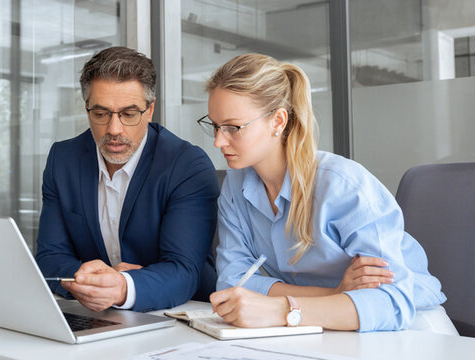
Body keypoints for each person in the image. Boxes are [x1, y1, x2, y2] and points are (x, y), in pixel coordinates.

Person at [203, 53, 455, 334]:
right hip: (317, 325)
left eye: (233, 127)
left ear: (278, 121)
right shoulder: (236, 186)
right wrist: (335, 293)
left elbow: (391, 303)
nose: (218, 141)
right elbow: (233, 283)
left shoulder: (343, 185)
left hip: (411, 329)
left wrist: (280, 308)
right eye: (215, 126)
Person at [35, 46, 219, 312]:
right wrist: (92, 283)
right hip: (95, 313)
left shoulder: (187, 165)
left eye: (129, 114)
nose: (114, 129)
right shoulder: (62, 160)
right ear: (87, 109)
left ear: (150, 109)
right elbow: (50, 257)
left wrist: (122, 287)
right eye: (100, 114)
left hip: (176, 314)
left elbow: (183, 270)